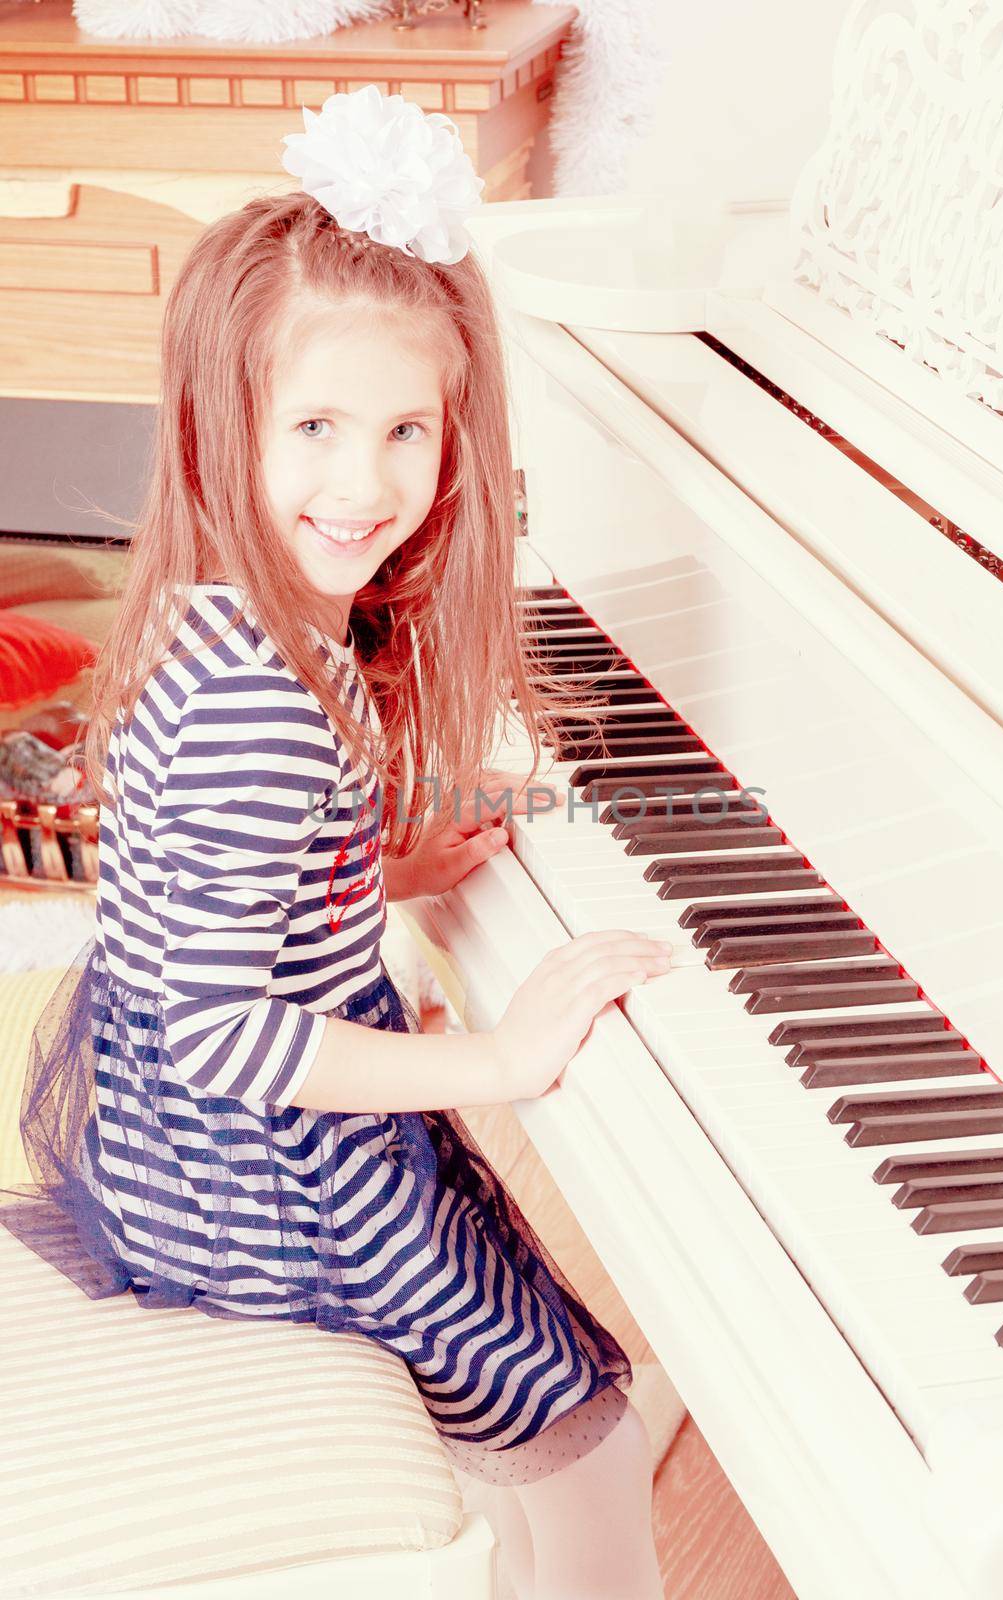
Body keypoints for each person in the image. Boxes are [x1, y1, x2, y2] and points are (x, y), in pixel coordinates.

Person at [1, 87, 671, 1599]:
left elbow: (223, 888)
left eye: (404, 431)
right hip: (266, 1178)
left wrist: (381, 865)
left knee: (541, 1346)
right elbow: (234, 1032)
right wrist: (499, 1059)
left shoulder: (247, 619)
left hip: (202, 1140)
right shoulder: (264, 702)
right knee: (581, 1424)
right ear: (215, 421)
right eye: (313, 425)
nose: (362, 484)